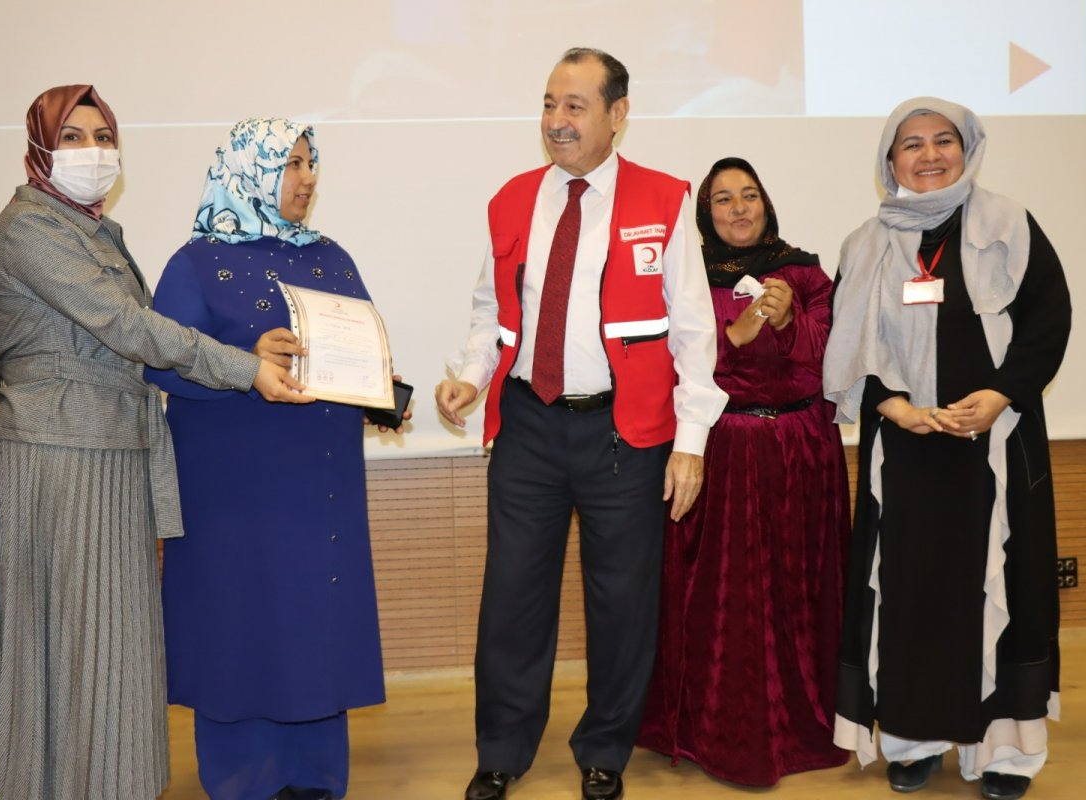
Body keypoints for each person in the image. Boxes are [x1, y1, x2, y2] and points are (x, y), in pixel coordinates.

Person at [0, 85, 310, 800]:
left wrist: (246, 353)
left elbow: (145, 335)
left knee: (113, 639)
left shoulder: (96, 231)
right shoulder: (29, 229)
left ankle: (110, 783)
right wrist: (244, 369)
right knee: (67, 638)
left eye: (103, 136)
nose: (92, 151)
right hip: (59, 454)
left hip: (113, 449)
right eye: (72, 137)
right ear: (39, 147)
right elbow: (129, 328)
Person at [435, 48, 727, 800]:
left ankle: (604, 749)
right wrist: (470, 378)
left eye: (574, 105)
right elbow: (490, 312)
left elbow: (695, 331)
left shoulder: (663, 199)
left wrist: (691, 443)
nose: (556, 121)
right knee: (512, 598)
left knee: (622, 602)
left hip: (625, 434)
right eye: (548, 103)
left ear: (617, 115)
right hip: (528, 427)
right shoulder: (512, 199)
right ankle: (502, 750)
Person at [822, 97, 1071, 800]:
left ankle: (1006, 752)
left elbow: (1049, 321)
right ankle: (913, 738)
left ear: (968, 149)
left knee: (1006, 592)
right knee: (909, 597)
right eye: (912, 144)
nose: (929, 155)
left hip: (995, 446)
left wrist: (1001, 393)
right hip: (907, 456)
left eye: (943, 141)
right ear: (889, 160)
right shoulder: (865, 244)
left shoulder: (1010, 225)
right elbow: (849, 347)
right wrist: (893, 406)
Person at [145, 118, 389, 800]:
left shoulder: (332, 257)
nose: (308, 178)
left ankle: (315, 777)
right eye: (292, 164)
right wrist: (244, 362)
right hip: (232, 488)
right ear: (248, 171)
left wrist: (383, 388)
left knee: (315, 619)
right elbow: (159, 363)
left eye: (311, 164)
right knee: (240, 618)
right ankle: (244, 777)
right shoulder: (195, 263)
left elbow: (357, 351)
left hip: (322, 484)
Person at [637, 157, 851, 785]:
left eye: (749, 195)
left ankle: (806, 725)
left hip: (801, 451)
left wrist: (790, 321)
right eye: (723, 198)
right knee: (726, 602)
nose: (738, 208)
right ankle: (717, 731)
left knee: (799, 593)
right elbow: (684, 366)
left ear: (766, 204)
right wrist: (743, 328)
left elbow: (833, 359)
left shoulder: (805, 273)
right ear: (705, 214)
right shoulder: (687, 278)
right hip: (723, 450)